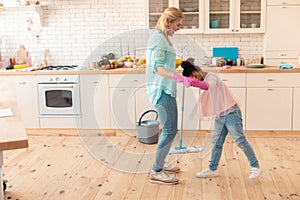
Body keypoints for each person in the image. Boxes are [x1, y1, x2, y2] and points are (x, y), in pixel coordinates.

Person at [146, 7, 208, 185]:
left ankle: (161, 163)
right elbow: (157, 67)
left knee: (170, 129)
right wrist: (179, 77)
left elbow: (166, 62)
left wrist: (183, 64)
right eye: (178, 24)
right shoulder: (158, 38)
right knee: (170, 130)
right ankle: (156, 171)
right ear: (168, 22)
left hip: (166, 88)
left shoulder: (164, 38)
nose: (179, 28)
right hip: (161, 90)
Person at [181, 60, 262, 179]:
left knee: (240, 140)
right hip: (220, 115)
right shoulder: (204, 79)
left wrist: (191, 82)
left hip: (231, 113)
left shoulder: (212, 76)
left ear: (195, 73)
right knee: (217, 142)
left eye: (195, 78)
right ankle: (212, 169)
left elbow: (208, 86)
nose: (197, 81)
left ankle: (256, 167)